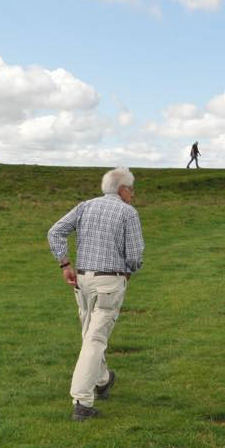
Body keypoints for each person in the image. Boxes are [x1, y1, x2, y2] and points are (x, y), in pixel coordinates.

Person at [47, 167, 145, 421]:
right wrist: (130, 271)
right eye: (131, 189)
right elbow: (135, 256)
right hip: (109, 282)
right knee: (95, 340)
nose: (133, 195)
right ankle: (82, 401)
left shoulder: (85, 206)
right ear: (122, 189)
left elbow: (55, 231)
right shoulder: (128, 212)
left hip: (82, 280)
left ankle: (102, 380)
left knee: (89, 333)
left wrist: (65, 264)